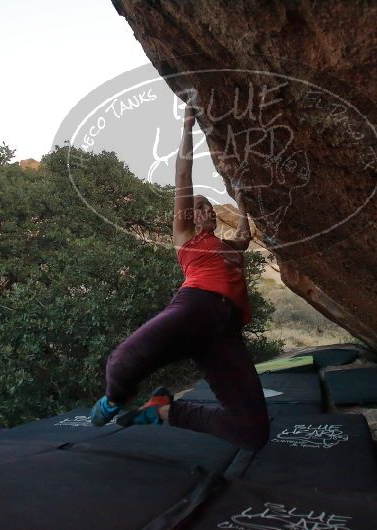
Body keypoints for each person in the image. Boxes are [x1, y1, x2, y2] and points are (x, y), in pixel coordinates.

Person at [90, 104, 270, 450]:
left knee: (253, 434)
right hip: (194, 308)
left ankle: (164, 412)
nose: (207, 211)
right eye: (200, 206)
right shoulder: (187, 236)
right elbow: (183, 176)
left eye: (211, 209)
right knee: (124, 362)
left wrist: (243, 203)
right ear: (189, 214)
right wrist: (188, 127)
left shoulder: (228, 247)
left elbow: (245, 238)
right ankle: (114, 398)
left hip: (225, 334)